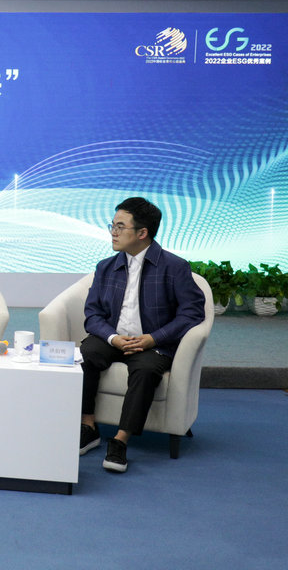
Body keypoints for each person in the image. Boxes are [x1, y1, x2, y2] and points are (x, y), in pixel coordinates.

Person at [79, 197, 204, 473]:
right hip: (114, 338)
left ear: (142, 233)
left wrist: (154, 338)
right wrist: (112, 338)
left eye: (120, 226)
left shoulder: (174, 267)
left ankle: (120, 440)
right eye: (112, 225)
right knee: (86, 354)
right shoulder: (106, 267)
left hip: (152, 344)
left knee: (146, 370)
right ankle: (89, 426)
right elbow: (92, 314)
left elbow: (192, 313)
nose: (113, 232)